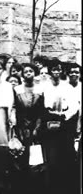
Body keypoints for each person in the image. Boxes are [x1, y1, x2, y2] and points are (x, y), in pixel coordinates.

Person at [40, 59, 79, 193]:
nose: (56, 72)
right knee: (50, 157)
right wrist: (49, 113)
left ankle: (62, 187)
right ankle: (48, 186)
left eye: (59, 69)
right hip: (48, 124)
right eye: (54, 69)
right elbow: (41, 105)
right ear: (50, 71)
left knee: (63, 157)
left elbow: (74, 106)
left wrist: (65, 115)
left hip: (64, 125)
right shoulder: (44, 86)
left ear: (62, 71)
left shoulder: (66, 87)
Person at [12, 63, 46, 194]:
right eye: (25, 71)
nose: (28, 74)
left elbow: (41, 111)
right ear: (22, 74)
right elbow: (16, 109)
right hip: (21, 127)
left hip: (36, 127)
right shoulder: (17, 90)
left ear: (35, 73)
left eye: (30, 71)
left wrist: (37, 127)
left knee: (36, 159)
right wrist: (17, 126)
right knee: (21, 158)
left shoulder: (40, 90)